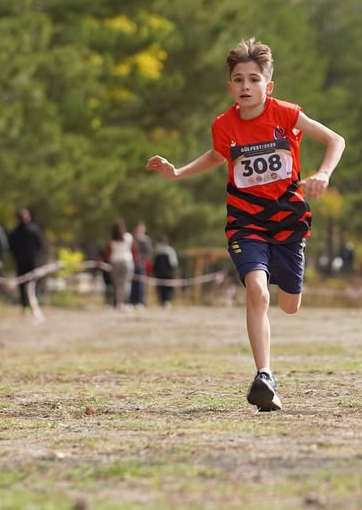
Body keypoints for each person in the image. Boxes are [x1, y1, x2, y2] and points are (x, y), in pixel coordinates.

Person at [146, 37, 345, 412]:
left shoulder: (286, 114)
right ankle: (265, 376)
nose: (246, 86)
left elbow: (336, 140)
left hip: (288, 222)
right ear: (230, 87)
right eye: (238, 80)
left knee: (289, 305)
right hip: (245, 222)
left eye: (254, 79)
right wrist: (178, 173)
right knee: (258, 292)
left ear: (268, 86)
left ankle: (273, 340)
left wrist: (323, 174)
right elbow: (215, 155)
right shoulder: (224, 125)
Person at [9, 208, 45, 312]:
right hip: (31, 261)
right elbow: (40, 244)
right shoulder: (33, 230)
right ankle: (31, 304)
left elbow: (11, 247)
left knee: (22, 284)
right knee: (32, 284)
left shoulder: (15, 232)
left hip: (20, 262)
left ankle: (24, 305)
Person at [102, 221, 137, 310]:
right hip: (127, 262)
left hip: (115, 262)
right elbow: (134, 250)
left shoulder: (111, 239)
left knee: (117, 284)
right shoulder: (128, 237)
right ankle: (124, 303)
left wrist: (104, 260)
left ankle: (118, 303)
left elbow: (107, 252)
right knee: (126, 283)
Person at [129, 221, 153, 308]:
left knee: (141, 284)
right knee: (132, 283)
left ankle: (140, 301)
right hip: (131, 264)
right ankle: (131, 301)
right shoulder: (131, 238)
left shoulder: (146, 239)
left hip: (141, 264)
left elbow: (149, 252)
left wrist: (142, 258)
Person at [152, 235, 179, 307]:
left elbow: (153, 263)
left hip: (159, 273)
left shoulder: (156, 251)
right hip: (168, 273)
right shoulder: (170, 250)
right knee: (168, 287)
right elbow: (174, 263)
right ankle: (167, 301)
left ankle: (162, 301)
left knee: (161, 287)